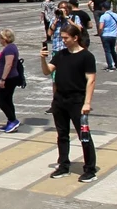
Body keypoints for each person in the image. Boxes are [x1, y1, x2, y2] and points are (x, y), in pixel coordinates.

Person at [41, 23, 98, 182]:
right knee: (62, 134)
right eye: (62, 38)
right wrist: (42, 59)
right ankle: (64, 165)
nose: (63, 40)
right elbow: (47, 71)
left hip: (77, 100)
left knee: (83, 135)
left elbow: (91, 80)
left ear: (75, 37)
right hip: (60, 99)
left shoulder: (86, 56)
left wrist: (87, 103)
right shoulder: (60, 54)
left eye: (66, 38)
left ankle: (90, 169)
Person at [0, 29, 23, 133]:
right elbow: (5, 62)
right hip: (9, 78)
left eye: (1, 38)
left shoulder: (10, 48)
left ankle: (12, 120)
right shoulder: (9, 48)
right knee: (7, 99)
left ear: (5, 38)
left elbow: (9, 64)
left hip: (9, 78)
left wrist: (3, 79)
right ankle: (11, 121)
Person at [98, 5, 117, 71]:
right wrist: (116, 31)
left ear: (103, 7)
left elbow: (100, 27)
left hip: (105, 35)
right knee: (112, 50)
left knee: (107, 51)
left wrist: (100, 33)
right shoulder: (115, 15)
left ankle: (110, 66)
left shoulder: (103, 16)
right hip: (113, 35)